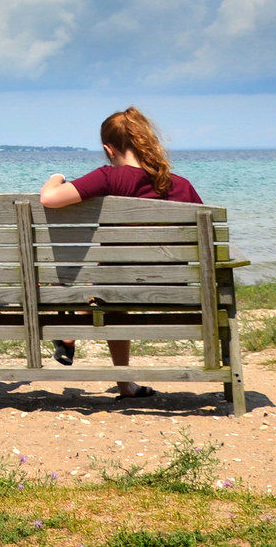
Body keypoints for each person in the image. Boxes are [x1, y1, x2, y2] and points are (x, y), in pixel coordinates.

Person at [39, 106, 202, 398]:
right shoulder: (182, 185)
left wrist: (57, 176)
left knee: (110, 280)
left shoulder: (110, 178)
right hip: (173, 287)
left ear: (108, 149)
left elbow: (49, 198)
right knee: (112, 280)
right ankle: (123, 382)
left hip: (116, 288)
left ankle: (75, 330)